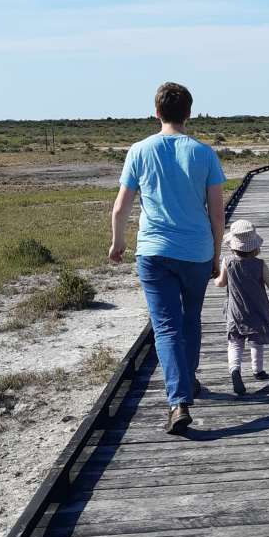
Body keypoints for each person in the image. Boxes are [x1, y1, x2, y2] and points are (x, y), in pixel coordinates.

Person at [109, 82, 226, 434]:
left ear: (156, 112)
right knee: (190, 318)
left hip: (154, 252)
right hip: (196, 252)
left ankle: (179, 400)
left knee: (166, 326)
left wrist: (118, 243)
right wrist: (217, 256)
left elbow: (120, 208)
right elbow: (217, 214)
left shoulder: (139, 151)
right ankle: (187, 382)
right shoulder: (204, 153)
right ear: (189, 112)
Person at [215, 218, 269, 395]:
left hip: (235, 312)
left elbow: (221, 283)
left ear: (232, 246)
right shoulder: (260, 265)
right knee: (257, 342)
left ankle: (235, 370)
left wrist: (215, 278)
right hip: (257, 311)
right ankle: (258, 370)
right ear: (255, 247)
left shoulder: (227, 262)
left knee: (235, 344)